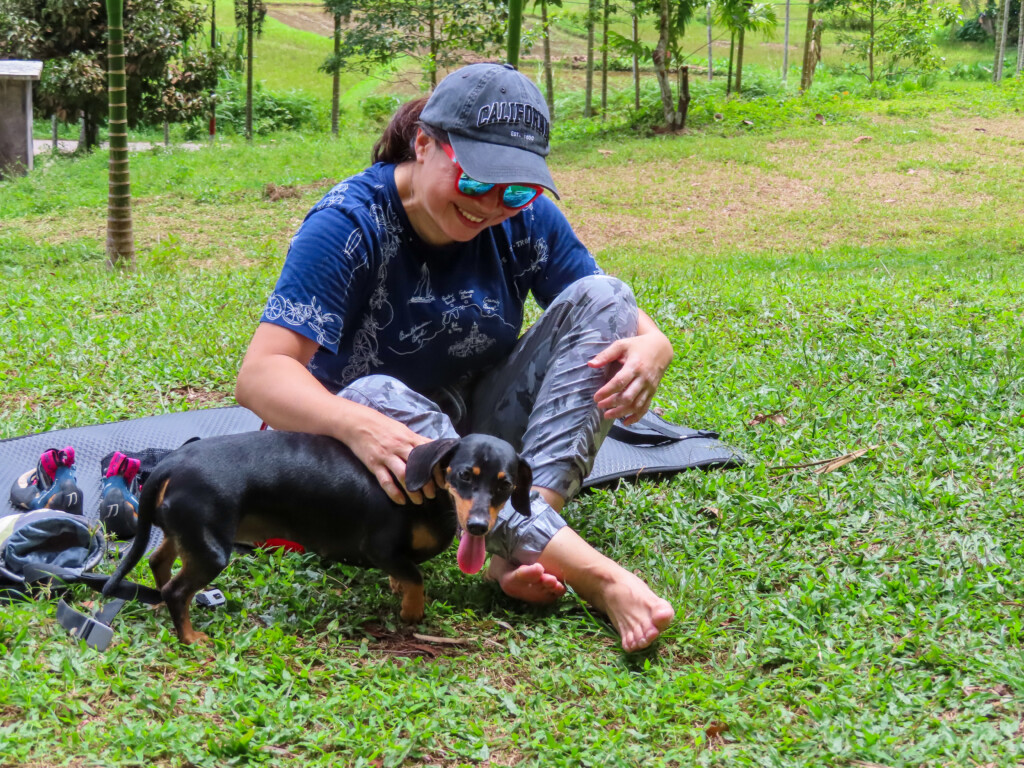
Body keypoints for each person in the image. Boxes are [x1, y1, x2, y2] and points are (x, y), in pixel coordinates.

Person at [235, 62, 675, 652]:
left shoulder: (525, 218)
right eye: (475, 181)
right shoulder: (349, 222)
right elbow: (261, 375)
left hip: (478, 452)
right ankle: (595, 574)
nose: (492, 204)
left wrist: (655, 343)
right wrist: (355, 425)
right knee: (370, 393)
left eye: (516, 189)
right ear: (423, 143)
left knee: (610, 295)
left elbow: (606, 307)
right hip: (386, 455)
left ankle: (508, 539)